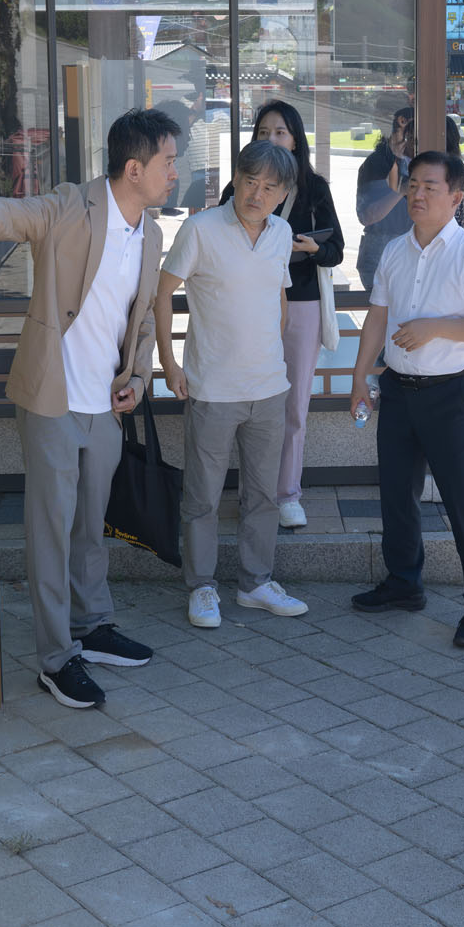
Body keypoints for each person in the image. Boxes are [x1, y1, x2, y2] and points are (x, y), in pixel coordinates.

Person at [0, 109, 177, 710]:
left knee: (90, 526)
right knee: (51, 533)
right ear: (134, 168)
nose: (176, 172)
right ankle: (55, 657)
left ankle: (93, 626)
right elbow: (11, 213)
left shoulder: (150, 234)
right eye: (168, 161)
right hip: (53, 400)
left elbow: (143, 320)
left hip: (106, 407)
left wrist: (139, 377)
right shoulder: (71, 207)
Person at [348, 151, 464, 648]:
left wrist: (435, 327)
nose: (417, 194)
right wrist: (360, 377)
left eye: (430, 187)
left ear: (456, 197)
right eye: (412, 184)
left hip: (452, 393)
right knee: (397, 494)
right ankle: (403, 583)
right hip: (399, 390)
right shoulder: (394, 250)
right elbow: (377, 316)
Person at [156, 139, 310, 629]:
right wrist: (169, 364)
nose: (256, 194)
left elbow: (279, 297)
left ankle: (255, 583)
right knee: (201, 496)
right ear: (236, 179)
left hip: (268, 387)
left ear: (283, 194)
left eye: (269, 187)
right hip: (212, 388)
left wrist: (274, 354)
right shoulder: (200, 229)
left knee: (263, 495)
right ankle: (201, 587)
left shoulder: (281, 233)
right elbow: (162, 294)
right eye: (250, 181)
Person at [220, 102, 345, 528]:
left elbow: (336, 248)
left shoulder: (314, 187)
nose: (271, 139)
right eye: (263, 132)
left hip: (302, 302)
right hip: (248, 302)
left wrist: (313, 248)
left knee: (293, 405)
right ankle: (253, 495)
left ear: (295, 141)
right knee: (248, 404)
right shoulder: (238, 186)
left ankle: (287, 493)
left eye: (280, 132)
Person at [355, 106, 415, 294]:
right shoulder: (377, 163)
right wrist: (401, 191)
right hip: (379, 254)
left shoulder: (422, 163)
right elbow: (367, 216)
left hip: (413, 254)